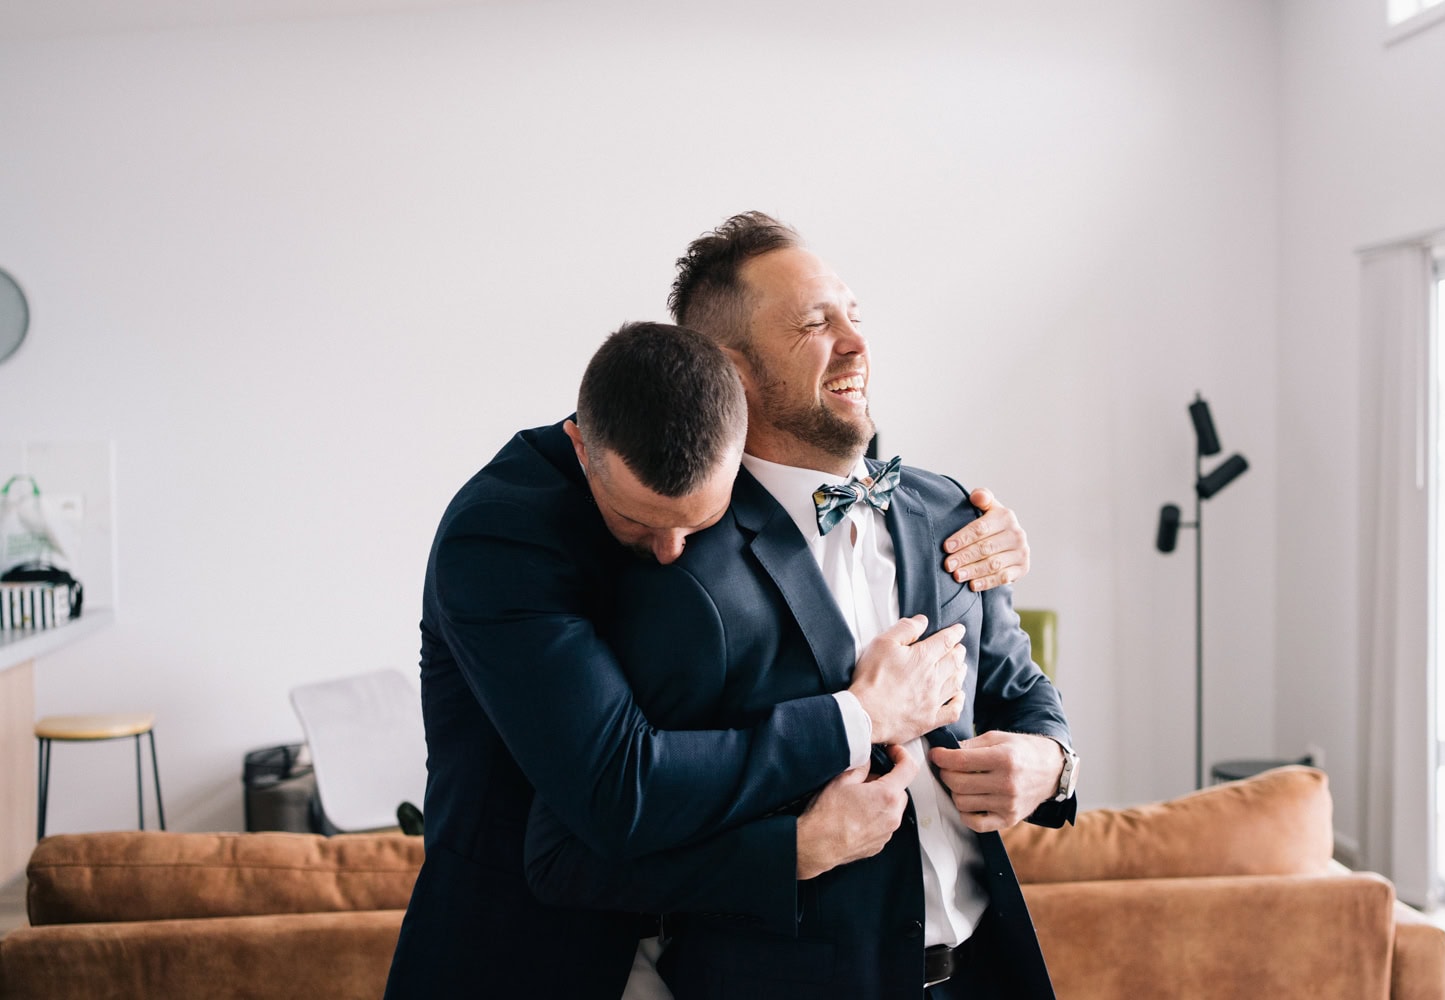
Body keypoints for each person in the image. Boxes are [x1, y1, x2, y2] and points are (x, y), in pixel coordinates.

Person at [383, 320, 1032, 998]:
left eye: (698, 522)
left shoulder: (710, 449)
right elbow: (618, 783)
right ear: (582, 447)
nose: (671, 550)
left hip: (688, 952)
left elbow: (840, 480)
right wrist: (859, 719)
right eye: (637, 522)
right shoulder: (499, 537)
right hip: (526, 954)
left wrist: (970, 523)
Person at [524, 214, 1077, 1000]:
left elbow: (1021, 691)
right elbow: (579, 848)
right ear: (731, 370)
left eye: (855, 315)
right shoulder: (675, 575)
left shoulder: (955, 513)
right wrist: (792, 850)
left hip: (986, 974)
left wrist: (1052, 764)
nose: (857, 344)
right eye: (817, 324)